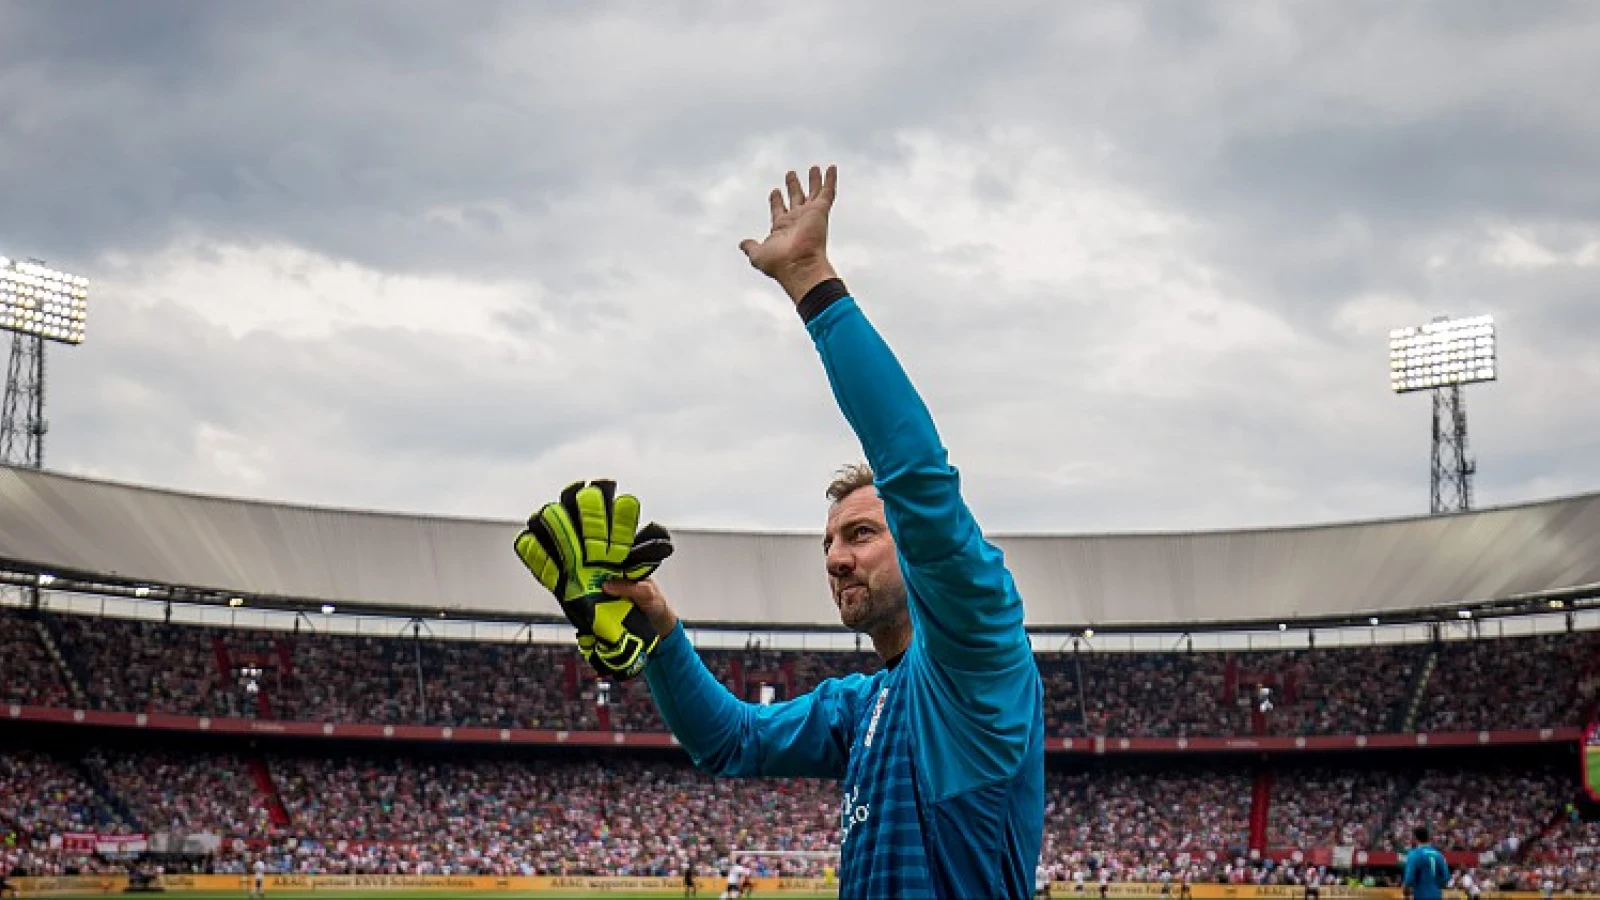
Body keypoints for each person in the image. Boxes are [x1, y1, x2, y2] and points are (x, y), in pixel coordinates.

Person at [602, 164, 1046, 898]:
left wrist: (811, 280)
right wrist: (657, 630)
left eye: (862, 534)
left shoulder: (978, 660)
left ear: (920, 550)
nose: (837, 558)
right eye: (830, 543)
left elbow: (918, 477)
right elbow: (730, 741)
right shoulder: (862, 704)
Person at [1402, 827, 1449, 900]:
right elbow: (1446, 878)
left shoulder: (1414, 854)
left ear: (1415, 838)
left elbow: (1408, 879)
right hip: (1436, 895)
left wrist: (1405, 893)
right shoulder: (1439, 855)